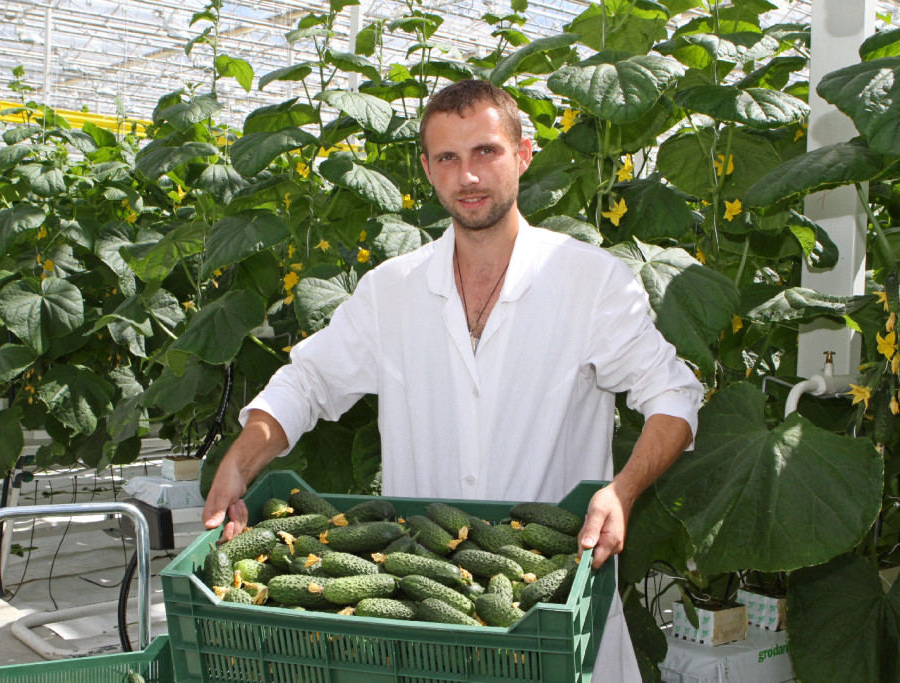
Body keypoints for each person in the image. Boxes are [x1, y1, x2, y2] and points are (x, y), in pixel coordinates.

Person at [203, 79, 703, 680]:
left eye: (486, 151)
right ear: (428, 169)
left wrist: (621, 493)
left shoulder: (589, 283)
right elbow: (306, 382)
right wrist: (239, 462)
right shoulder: (391, 290)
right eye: (448, 158)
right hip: (429, 613)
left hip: (554, 606)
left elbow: (673, 395)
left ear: (521, 154)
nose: (468, 176)